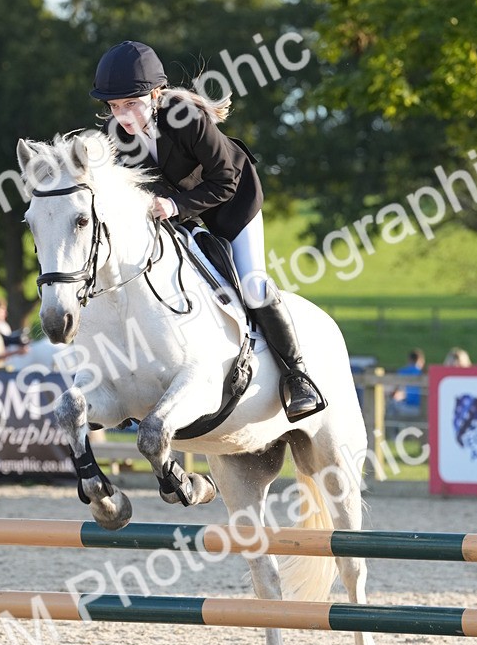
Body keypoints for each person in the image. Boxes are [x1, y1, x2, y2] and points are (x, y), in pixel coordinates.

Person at [89, 39, 320, 421]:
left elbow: (225, 180)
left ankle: (298, 377)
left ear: (155, 94)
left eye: (131, 103)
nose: (124, 115)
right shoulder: (120, 135)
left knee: (252, 285)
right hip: (182, 214)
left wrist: (177, 205)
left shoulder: (184, 116)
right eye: (115, 106)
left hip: (233, 204)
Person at [388, 348, 426, 418]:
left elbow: (394, 391)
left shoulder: (401, 372)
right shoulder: (423, 374)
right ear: (421, 361)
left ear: (409, 359)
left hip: (403, 408)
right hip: (421, 409)